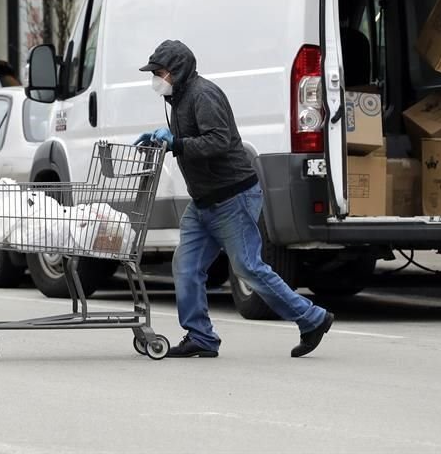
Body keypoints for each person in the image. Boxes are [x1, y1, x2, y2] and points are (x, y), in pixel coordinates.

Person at [134, 39, 333, 358]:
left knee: (248, 267)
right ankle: (200, 336)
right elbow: (193, 139)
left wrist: (177, 144)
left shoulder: (203, 95)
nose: (156, 79)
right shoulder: (180, 98)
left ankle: (312, 318)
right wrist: (164, 140)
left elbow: (219, 141)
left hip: (232, 197)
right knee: (186, 266)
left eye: (160, 72)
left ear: (178, 71)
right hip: (203, 202)